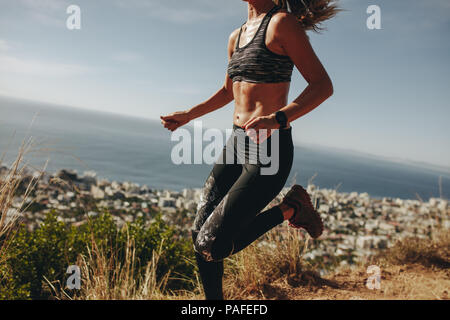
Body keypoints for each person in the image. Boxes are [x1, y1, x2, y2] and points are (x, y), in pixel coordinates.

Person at [160, 0, 339, 300]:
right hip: (237, 142)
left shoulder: (282, 24)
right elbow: (229, 91)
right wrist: (189, 115)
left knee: (211, 244)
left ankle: (293, 208)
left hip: (270, 150)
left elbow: (323, 85)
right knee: (198, 234)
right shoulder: (236, 36)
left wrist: (278, 117)